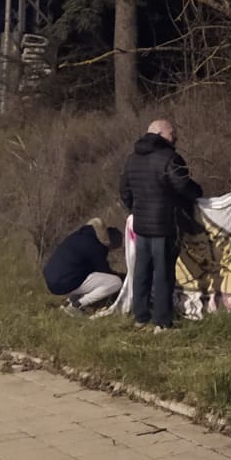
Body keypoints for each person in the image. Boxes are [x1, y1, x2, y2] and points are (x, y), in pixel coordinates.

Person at [120, 118, 202, 330]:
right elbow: (183, 186)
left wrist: (135, 210)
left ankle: (140, 316)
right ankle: (162, 322)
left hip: (141, 226)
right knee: (163, 274)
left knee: (141, 272)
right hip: (166, 226)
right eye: (171, 133)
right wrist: (197, 194)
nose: (175, 137)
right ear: (160, 135)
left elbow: (124, 191)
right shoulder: (169, 158)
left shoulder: (132, 159)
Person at [42, 218, 124, 315]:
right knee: (115, 282)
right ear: (109, 242)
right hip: (63, 283)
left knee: (85, 274)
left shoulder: (80, 235)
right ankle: (77, 305)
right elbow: (103, 270)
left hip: (51, 278)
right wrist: (121, 276)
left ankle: (69, 302)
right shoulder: (97, 247)